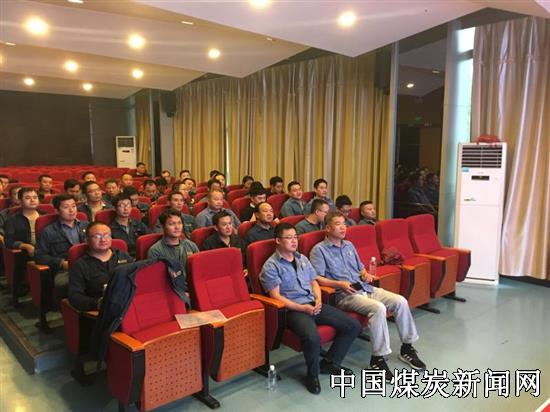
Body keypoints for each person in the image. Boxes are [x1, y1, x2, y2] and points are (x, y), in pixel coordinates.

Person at [310, 211, 426, 380]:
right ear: (327, 228)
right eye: (338, 224)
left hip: (364, 287)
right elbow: (316, 278)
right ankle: (378, 359)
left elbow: (360, 267)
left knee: (400, 301)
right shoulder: (319, 250)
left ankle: (407, 347)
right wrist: (339, 284)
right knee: (378, 308)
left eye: (344, 224)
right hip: (344, 294)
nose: (343, 227)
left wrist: (365, 274)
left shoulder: (349, 245)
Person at [260, 223, 361, 394]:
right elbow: (276, 297)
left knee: (353, 326)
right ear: (278, 240)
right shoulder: (271, 266)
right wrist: (302, 308)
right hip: (293, 310)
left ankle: (330, 363)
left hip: (313, 303)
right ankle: (312, 375)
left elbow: (314, 282)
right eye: (289, 238)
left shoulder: (302, 259)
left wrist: (318, 299)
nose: (294, 241)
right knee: (312, 337)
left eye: (295, 237)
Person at [68, 222, 133, 312]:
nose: (103, 240)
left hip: (129, 304)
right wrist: (98, 304)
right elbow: (75, 296)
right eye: (97, 236)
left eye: (107, 235)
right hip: (100, 311)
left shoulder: (123, 256)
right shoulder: (80, 265)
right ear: (86, 240)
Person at [35, 194, 88, 299]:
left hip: (88, 266)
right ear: (57, 211)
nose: (71, 210)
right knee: (66, 283)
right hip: (65, 270)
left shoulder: (87, 226)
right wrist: (61, 263)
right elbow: (40, 256)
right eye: (66, 207)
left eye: (73, 206)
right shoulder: (49, 231)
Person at [147, 210, 199, 281]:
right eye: (172, 224)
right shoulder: (155, 251)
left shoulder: (191, 245)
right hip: (169, 286)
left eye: (179, 223)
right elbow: (156, 278)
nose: (177, 227)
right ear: (163, 226)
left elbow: (199, 269)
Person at [4, 188, 43, 258]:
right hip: (25, 254)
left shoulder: (45, 216)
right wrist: (25, 246)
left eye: (35, 197)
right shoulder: (12, 220)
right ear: (20, 201)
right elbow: (9, 241)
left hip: (46, 251)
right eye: (27, 198)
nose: (32, 200)